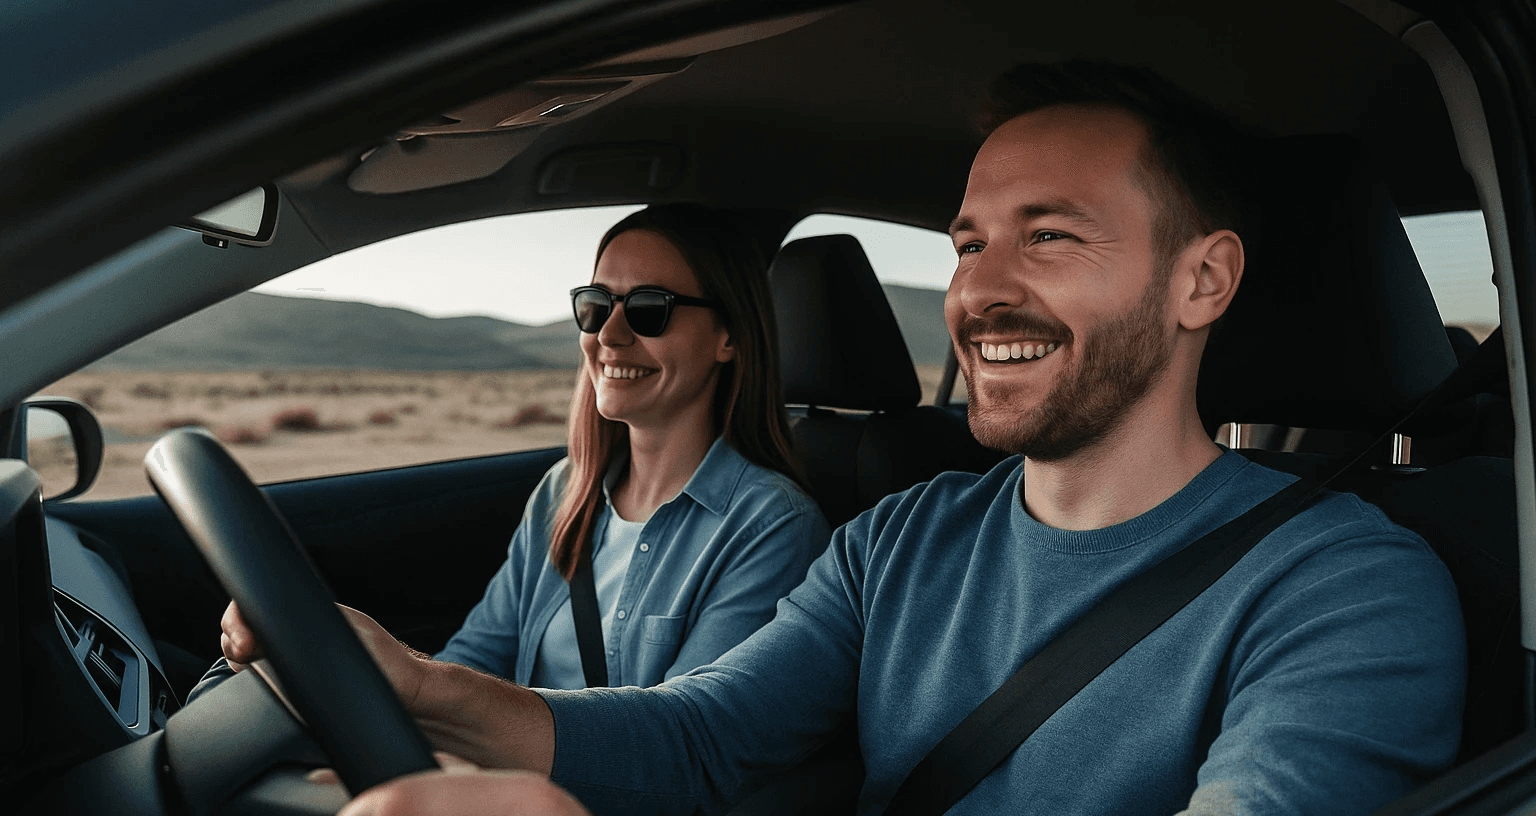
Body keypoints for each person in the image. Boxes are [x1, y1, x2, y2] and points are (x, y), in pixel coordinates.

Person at [225, 62, 1466, 815]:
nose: (979, 291)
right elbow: (703, 737)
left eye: (1050, 235)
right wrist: (413, 685)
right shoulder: (899, 539)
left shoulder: (1345, 589)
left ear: (1203, 283)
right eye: (969, 241)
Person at [206, 203, 829, 700]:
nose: (609, 334)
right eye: (595, 305)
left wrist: (423, 698)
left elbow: (680, 748)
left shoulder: (771, 527)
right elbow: (479, 657)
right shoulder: (566, 490)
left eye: (648, 309)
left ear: (729, 337)